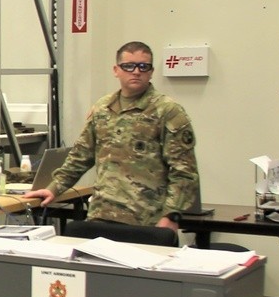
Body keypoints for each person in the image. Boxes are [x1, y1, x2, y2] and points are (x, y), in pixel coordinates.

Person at [26, 41, 199, 229]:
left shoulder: (167, 111)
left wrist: (171, 216)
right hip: (101, 214)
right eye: (129, 66)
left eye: (143, 66)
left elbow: (184, 172)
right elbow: (81, 156)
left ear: (151, 71)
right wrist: (54, 188)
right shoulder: (103, 108)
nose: (136, 71)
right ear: (116, 70)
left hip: (148, 219)